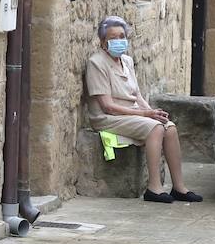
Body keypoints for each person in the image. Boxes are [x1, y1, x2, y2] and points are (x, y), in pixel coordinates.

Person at [85, 16, 202, 204]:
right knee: (155, 128)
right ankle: (154, 188)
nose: (119, 41)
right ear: (103, 42)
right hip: (108, 117)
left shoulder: (127, 61)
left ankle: (179, 187)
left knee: (169, 127)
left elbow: (137, 95)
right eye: (113, 38)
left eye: (122, 36)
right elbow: (107, 106)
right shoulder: (96, 63)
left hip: (131, 113)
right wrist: (146, 115)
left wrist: (153, 112)